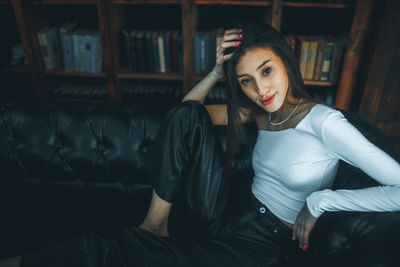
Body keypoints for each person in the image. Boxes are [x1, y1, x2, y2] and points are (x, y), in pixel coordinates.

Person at [19, 22, 400, 267]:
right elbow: (185, 114)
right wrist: (217, 72)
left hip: (266, 244)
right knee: (187, 117)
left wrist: (322, 200)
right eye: (247, 80)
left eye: (266, 71)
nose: (261, 89)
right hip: (228, 210)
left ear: (286, 62)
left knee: (132, 256)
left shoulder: (325, 123)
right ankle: (155, 225)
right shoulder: (259, 112)